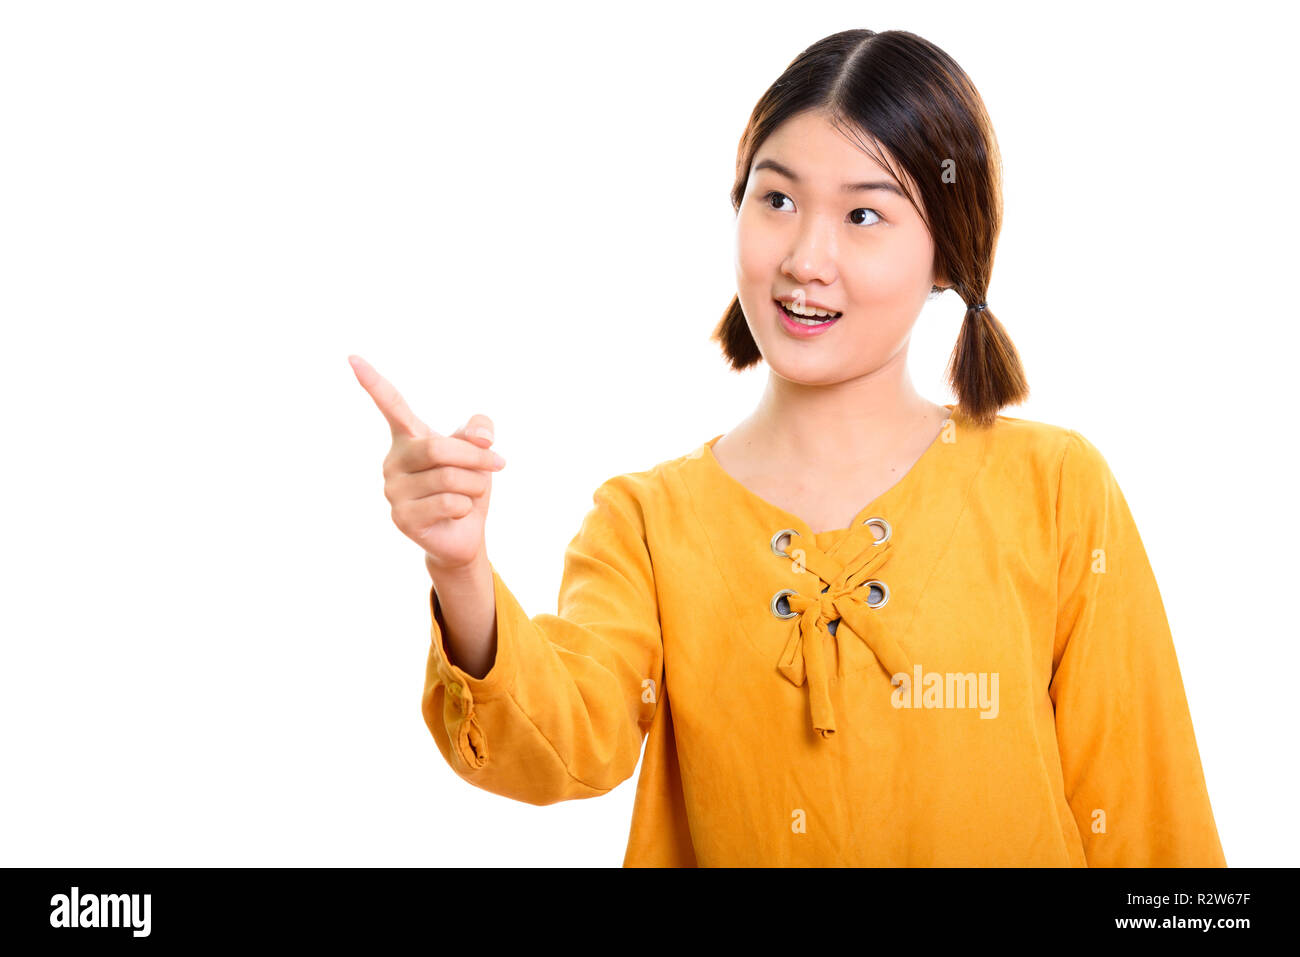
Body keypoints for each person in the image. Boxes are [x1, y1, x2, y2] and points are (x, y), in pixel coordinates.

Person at [351, 28, 1225, 867]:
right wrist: (460, 570)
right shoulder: (650, 520)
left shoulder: (1056, 487)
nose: (808, 257)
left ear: (948, 252)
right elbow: (562, 744)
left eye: (864, 214)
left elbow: (1148, 810)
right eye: (777, 200)